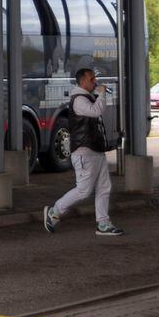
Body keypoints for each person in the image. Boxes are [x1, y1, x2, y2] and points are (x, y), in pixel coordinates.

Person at [44, 68, 124, 237]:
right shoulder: (79, 100)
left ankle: (103, 223)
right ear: (82, 81)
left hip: (95, 150)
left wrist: (98, 95)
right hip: (84, 151)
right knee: (84, 190)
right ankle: (54, 211)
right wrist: (102, 94)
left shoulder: (87, 97)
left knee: (104, 187)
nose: (95, 81)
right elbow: (96, 111)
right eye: (91, 79)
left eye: (94, 78)